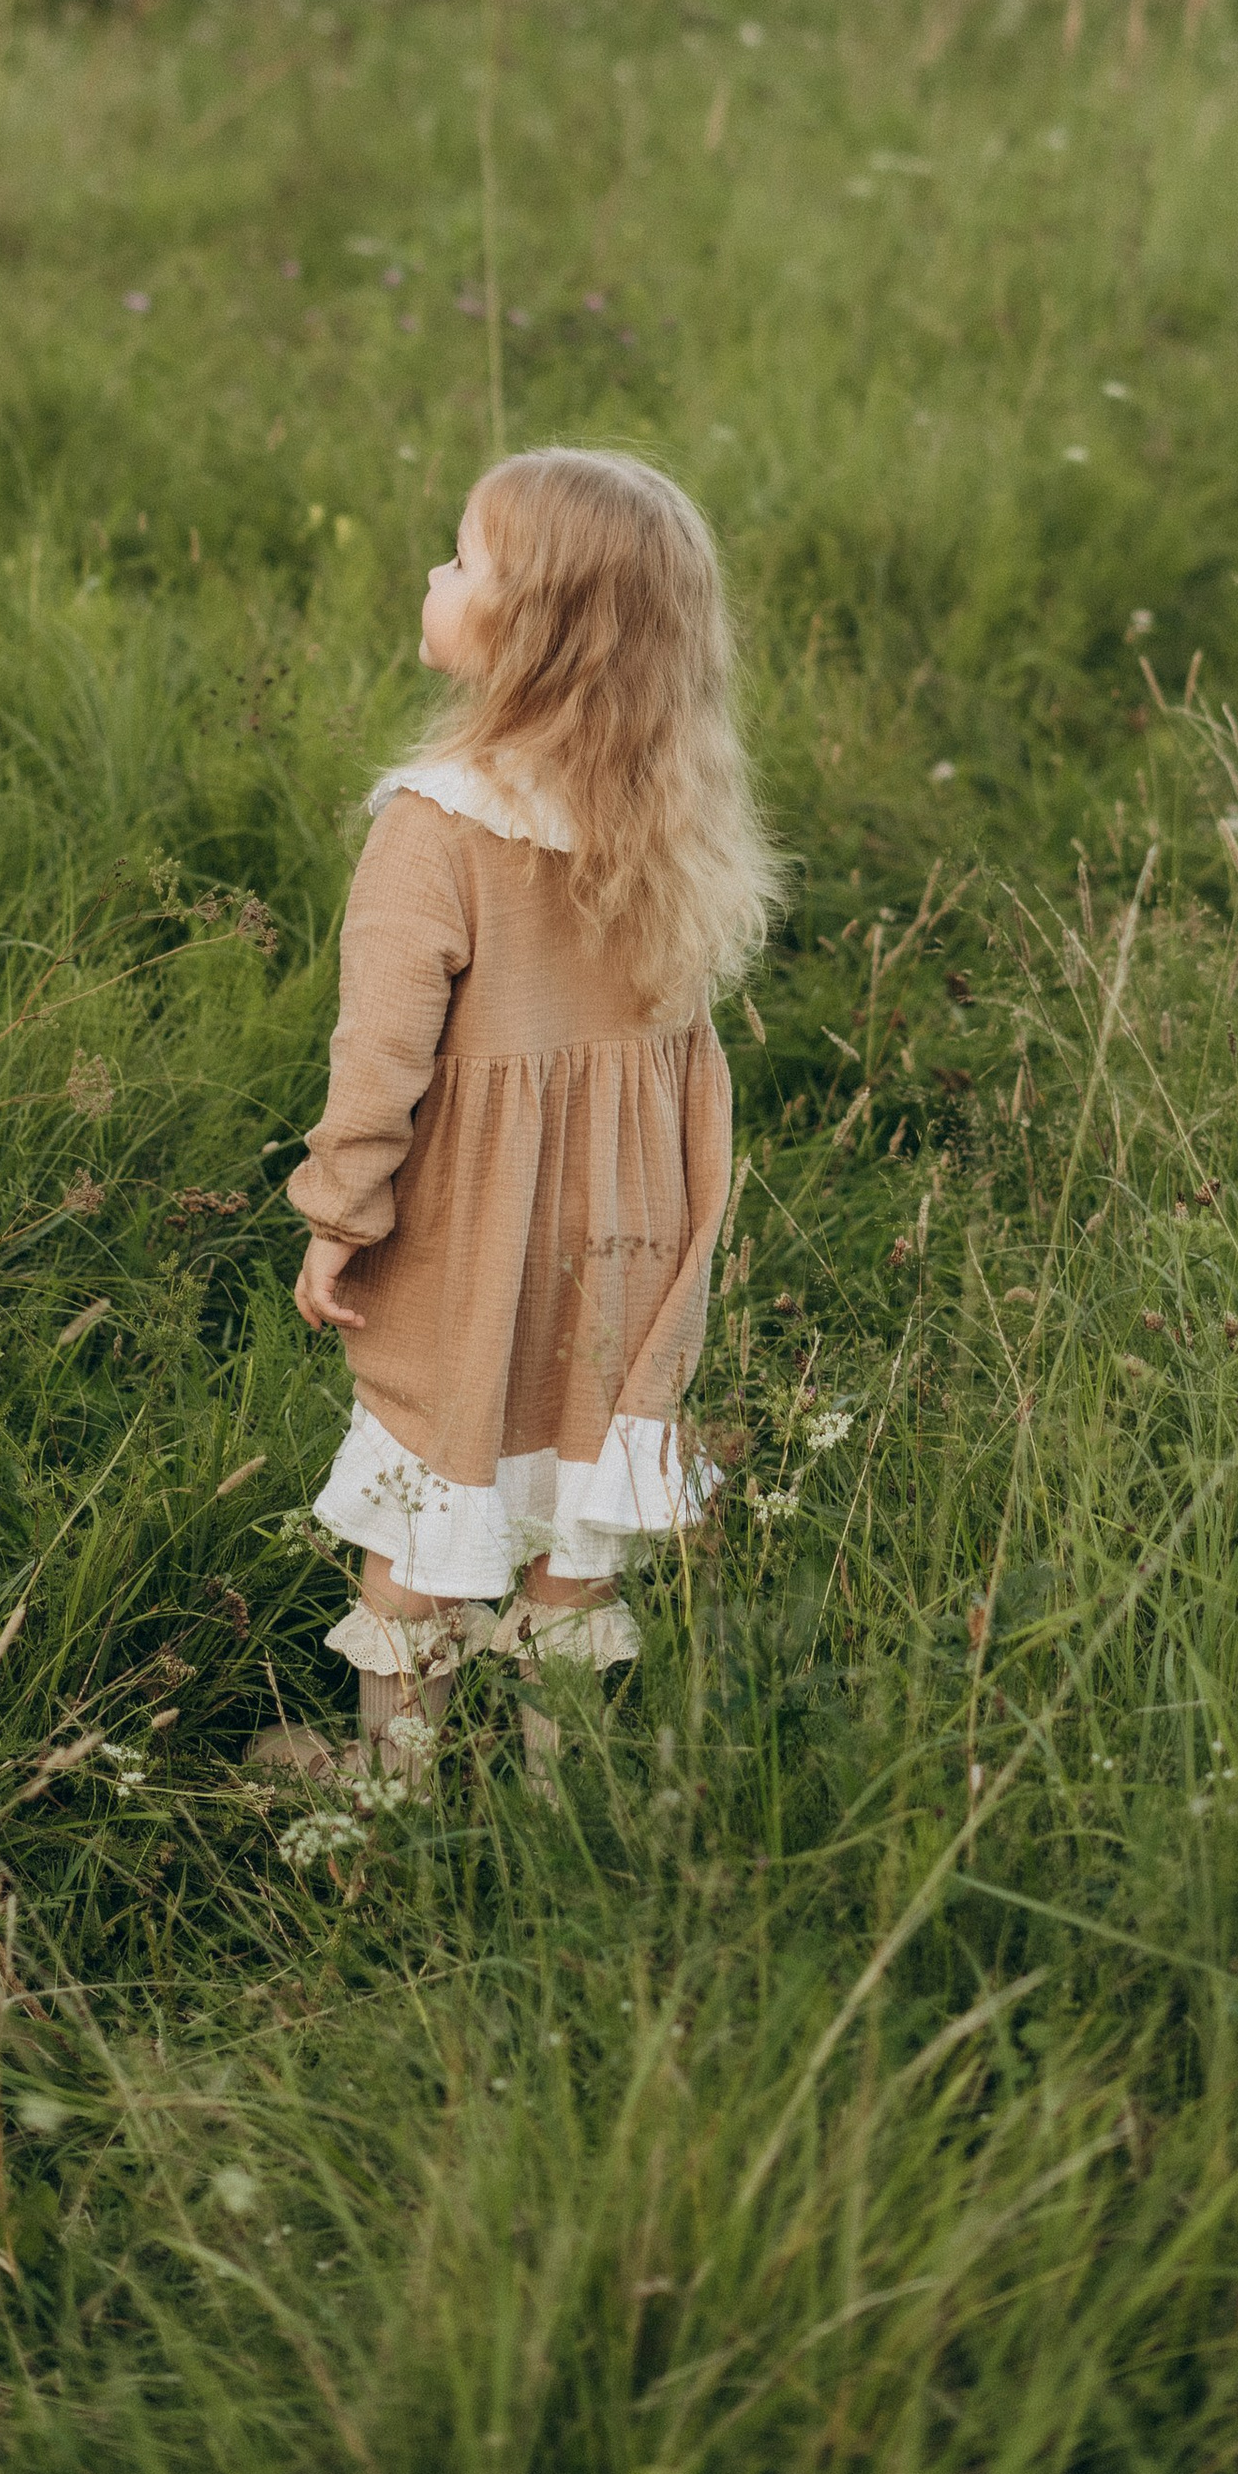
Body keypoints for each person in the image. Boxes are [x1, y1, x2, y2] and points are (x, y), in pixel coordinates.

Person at [264, 446, 780, 1786]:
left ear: (529, 630)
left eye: (464, 558)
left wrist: (337, 1218)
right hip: (628, 1225)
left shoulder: (432, 830)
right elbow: (679, 1067)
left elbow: (381, 1056)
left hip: (471, 1233)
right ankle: (561, 1789)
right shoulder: (663, 824)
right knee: (571, 1484)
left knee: (434, 1479)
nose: (437, 574)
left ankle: (395, 1787)